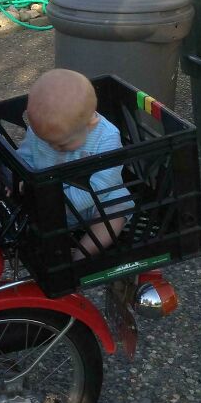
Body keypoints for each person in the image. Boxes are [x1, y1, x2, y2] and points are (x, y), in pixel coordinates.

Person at [15, 69, 130, 260]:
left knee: (117, 210)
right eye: (47, 141)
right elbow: (24, 157)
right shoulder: (43, 131)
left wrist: (60, 204)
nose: (53, 147)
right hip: (50, 202)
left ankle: (82, 254)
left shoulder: (107, 137)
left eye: (61, 144)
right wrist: (19, 178)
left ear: (90, 124)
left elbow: (102, 184)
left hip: (97, 201)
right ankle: (50, 250)